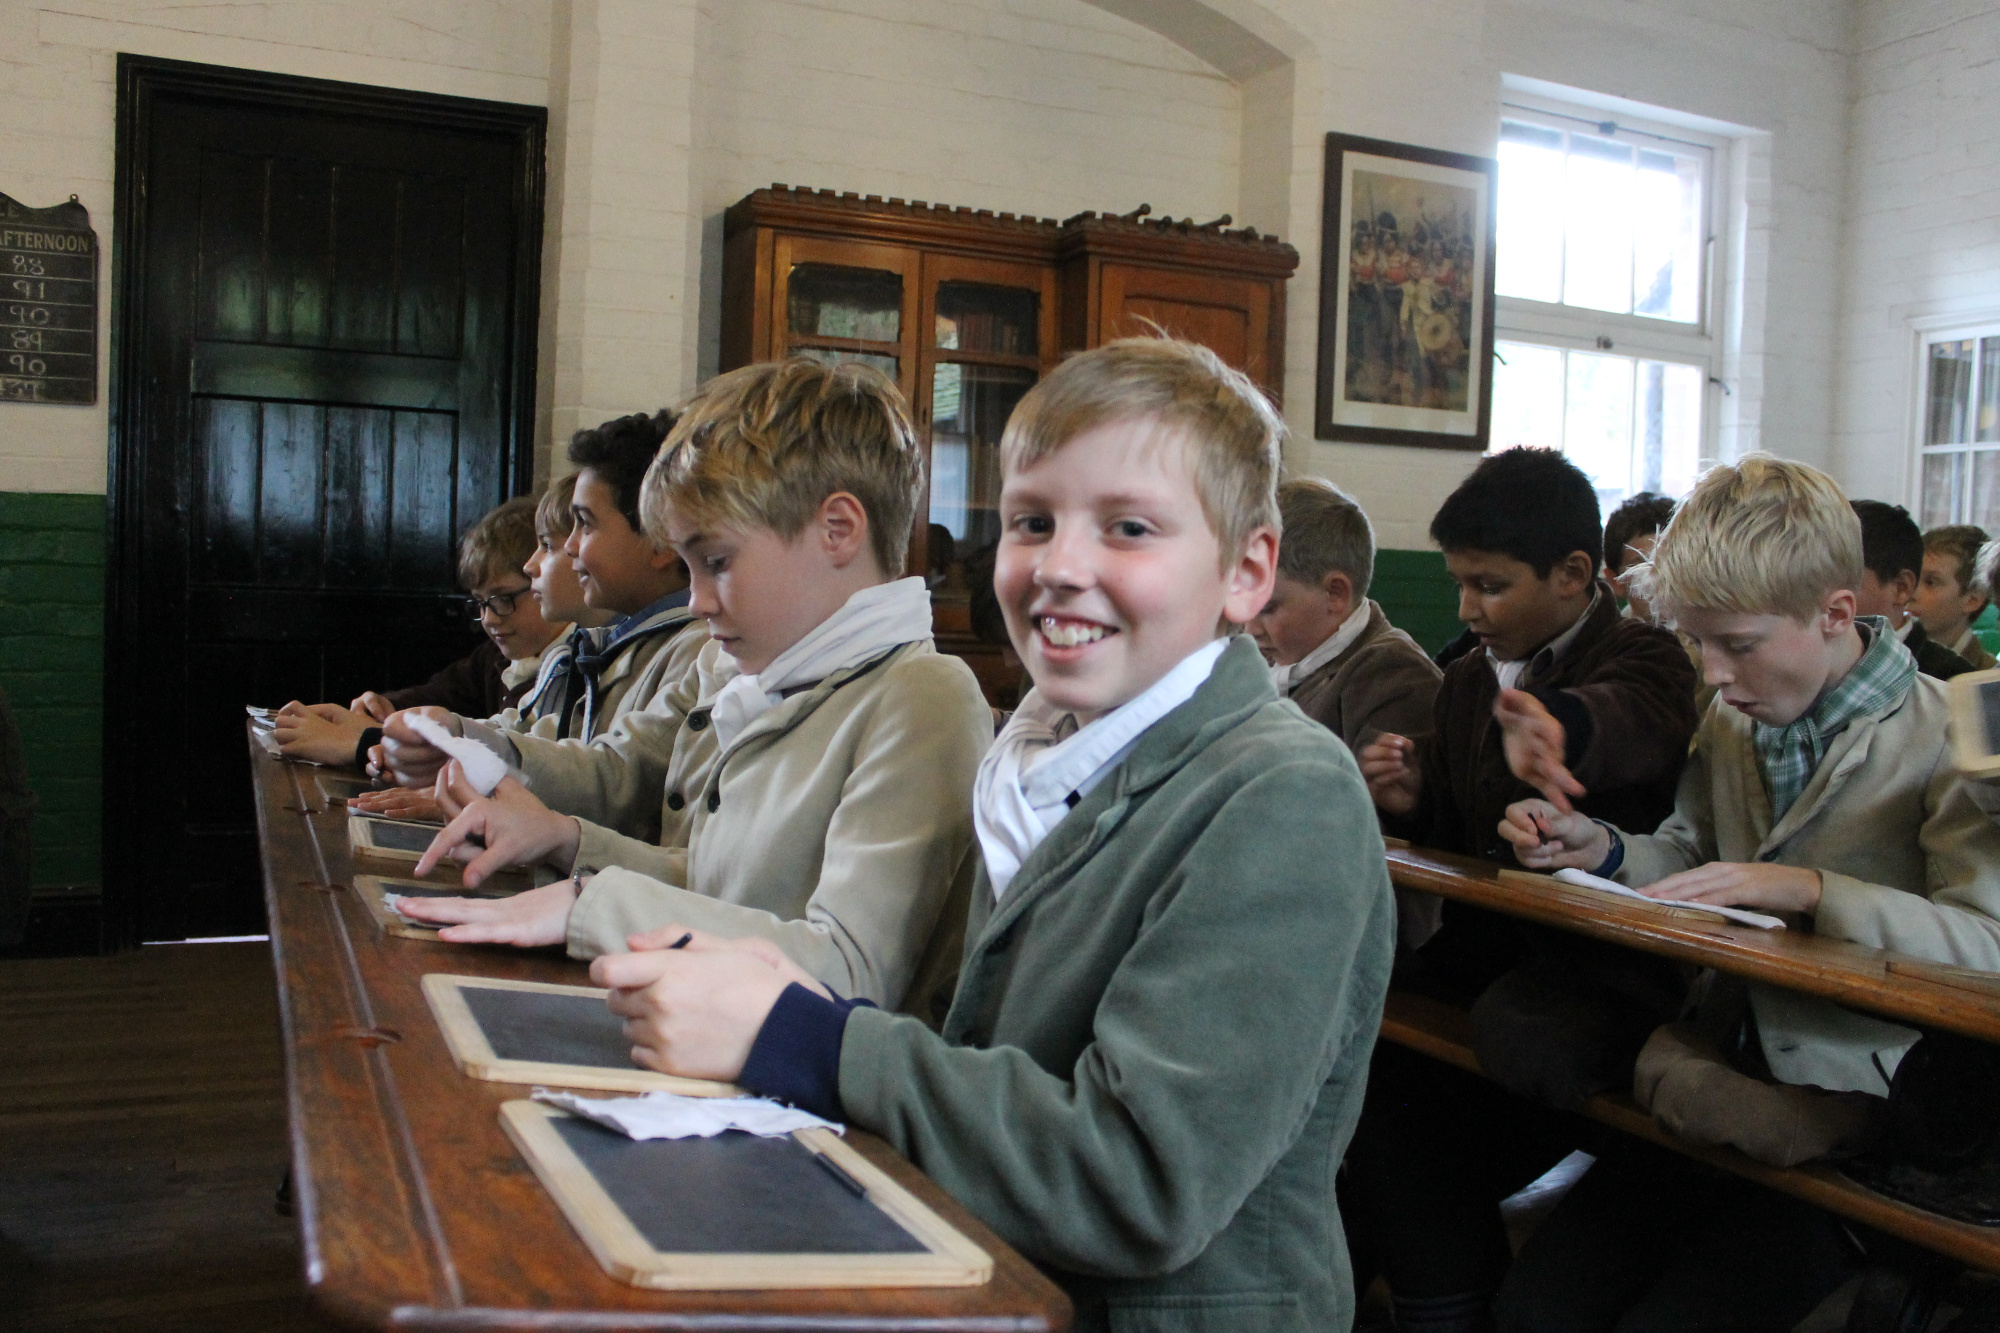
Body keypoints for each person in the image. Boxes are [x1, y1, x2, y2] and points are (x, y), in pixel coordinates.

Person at [564, 338, 1393, 1333]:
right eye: (1032, 521)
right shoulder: (1042, 755)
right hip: (986, 1269)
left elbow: (1136, 1181)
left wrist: (802, 1035)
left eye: (1129, 527)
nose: (1060, 566)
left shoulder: (1282, 794)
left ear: (1246, 572)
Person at [1495, 456, 2000, 1333]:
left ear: (1836, 612)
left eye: (1738, 644)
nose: (1716, 673)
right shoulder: (1735, 719)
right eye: (1699, 644)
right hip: (1718, 1078)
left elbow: (1986, 948)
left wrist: (1814, 890)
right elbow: (1694, 852)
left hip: (1860, 1121)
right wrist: (1603, 849)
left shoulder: (1949, 733)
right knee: (1533, 1309)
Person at [394, 358, 994, 1023]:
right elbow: (714, 890)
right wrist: (567, 843)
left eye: (716, 562)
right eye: (688, 566)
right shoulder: (763, 670)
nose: (696, 599)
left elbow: (846, 972)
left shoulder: (922, 698)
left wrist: (589, 905)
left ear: (838, 530)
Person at [1343, 448, 1698, 1333]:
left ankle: (1440, 1300)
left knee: (1462, 1087)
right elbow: (1456, 827)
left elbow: (1630, 719)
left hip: (1602, 973)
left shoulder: (1647, 657)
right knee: (1361, 1044)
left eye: (1490, 586)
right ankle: (1424, 1300)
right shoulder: (1468, 675)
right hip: (1486, 954)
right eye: (1460, 584)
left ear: (1574, 574)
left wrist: (1560, 723)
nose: (1467, 608)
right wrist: (1412, 796)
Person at [369, 411, 708, 796]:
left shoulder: (696, 650)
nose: (571, 546)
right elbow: (546, 735)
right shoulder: (616, 644)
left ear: (660, 542)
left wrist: (463, 753)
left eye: (585, 524)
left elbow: (615, 773)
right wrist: (446, 740)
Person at [271, 497, 567, 767]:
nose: (488, 618)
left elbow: (514, 757)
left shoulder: (571, 669)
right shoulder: (494, 658)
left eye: (502, 599)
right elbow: (439, 696)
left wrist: (367, 740)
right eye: (480, 602)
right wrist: (384, 709)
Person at [1249, 476, 1440, 754]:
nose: (1250, 628)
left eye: (1267, 608)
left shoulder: (1396, 679)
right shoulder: (1270, 658)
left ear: (1335, 594)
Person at [1852, 500, 1974, 680]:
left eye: (1843, 580)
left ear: (1901, 587)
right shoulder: (1814, 661)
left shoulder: (1951, 679)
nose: (1820, 596)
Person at [1915, 523, 1995, 669]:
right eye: (1911, 579)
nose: (1910, 593)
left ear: (1972, 600)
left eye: (1930, 582)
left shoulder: (1986, 677)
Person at [1601, 492, 1677, 622]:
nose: (1662, 577)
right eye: (1643, 567)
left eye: (1673, 561)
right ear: (1616, 581)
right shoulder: (1613, 634)